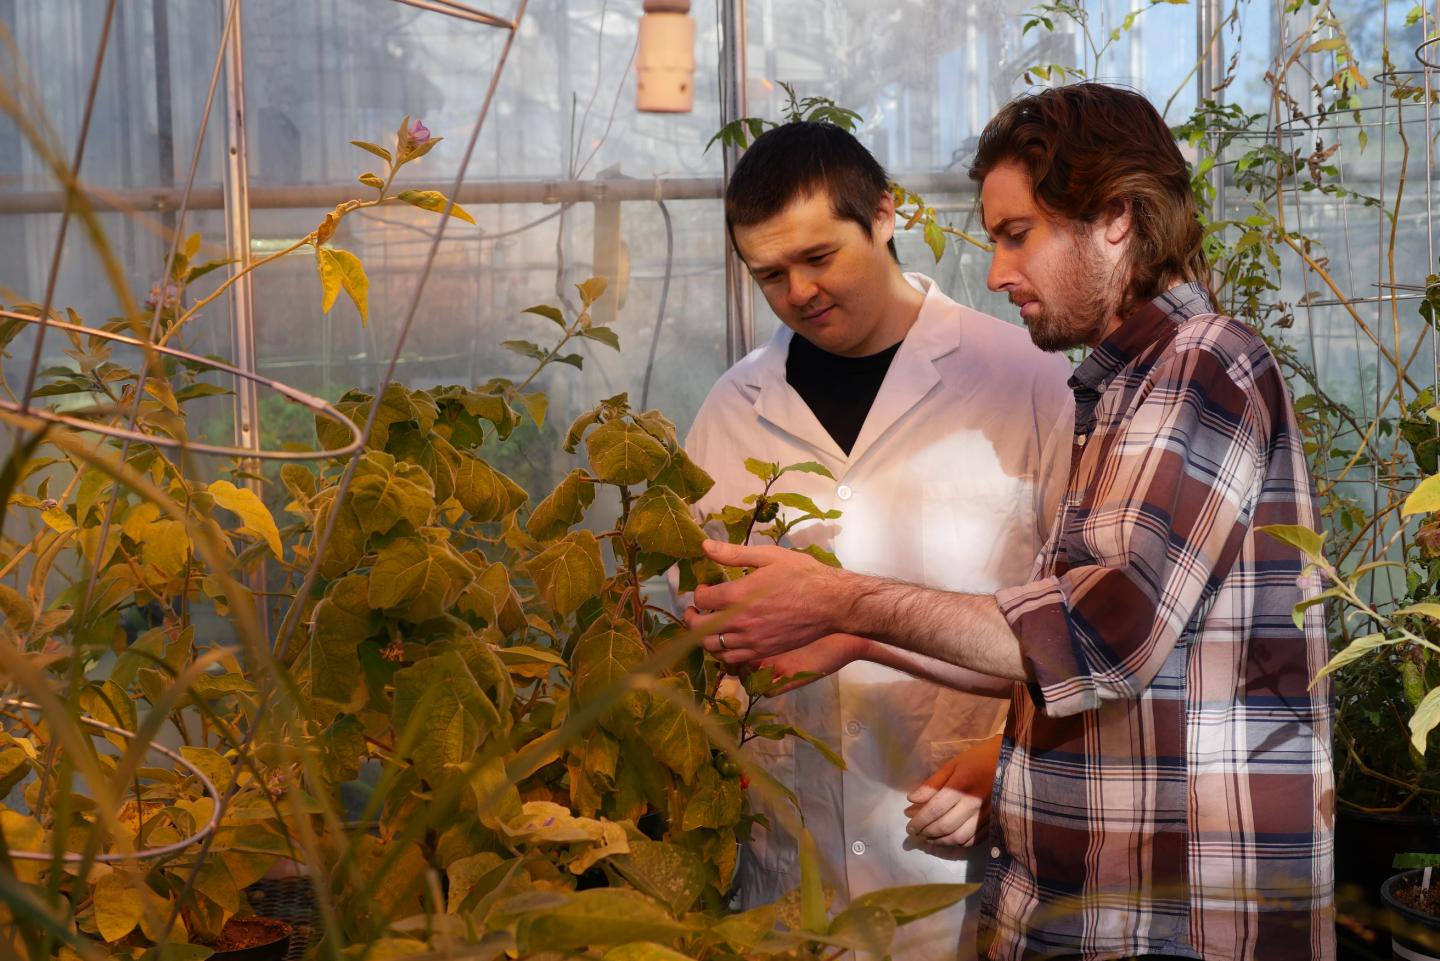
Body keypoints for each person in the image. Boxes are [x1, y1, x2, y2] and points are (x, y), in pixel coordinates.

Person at [688, 84, 1334, 961]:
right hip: (1084, 900)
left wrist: (840, 601)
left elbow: (1099, 638)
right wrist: (861, 640)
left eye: (1016, 233)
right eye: (769, 273)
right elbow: (1078, 651)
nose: (995, 272)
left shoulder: (1202, 365)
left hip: (1165, 916)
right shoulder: (1121, 392)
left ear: (1116, 217)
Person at [683, 120, 1074, 959]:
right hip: (791, 869)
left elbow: (1090, 626)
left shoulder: (1029, 381)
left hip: (963, 859)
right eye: (770, 274)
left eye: (819, 257)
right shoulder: (731, 409)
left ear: (885, 215)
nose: (799, 291)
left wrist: (1005, 755)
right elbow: (696, 613)